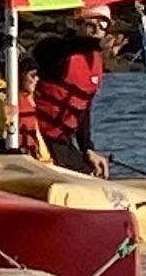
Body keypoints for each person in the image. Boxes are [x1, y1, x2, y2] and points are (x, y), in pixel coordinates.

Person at [21, 28, 110, 175]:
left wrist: (87, 148)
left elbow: (82, 109)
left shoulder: (94, 61)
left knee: (93, 172)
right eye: (90, 24)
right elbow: (68, 46)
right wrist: (97, 43)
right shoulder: (55, 51)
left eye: (102, 25)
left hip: (62, 141)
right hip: (38, 136)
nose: (96, 29)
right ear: (78, 24)